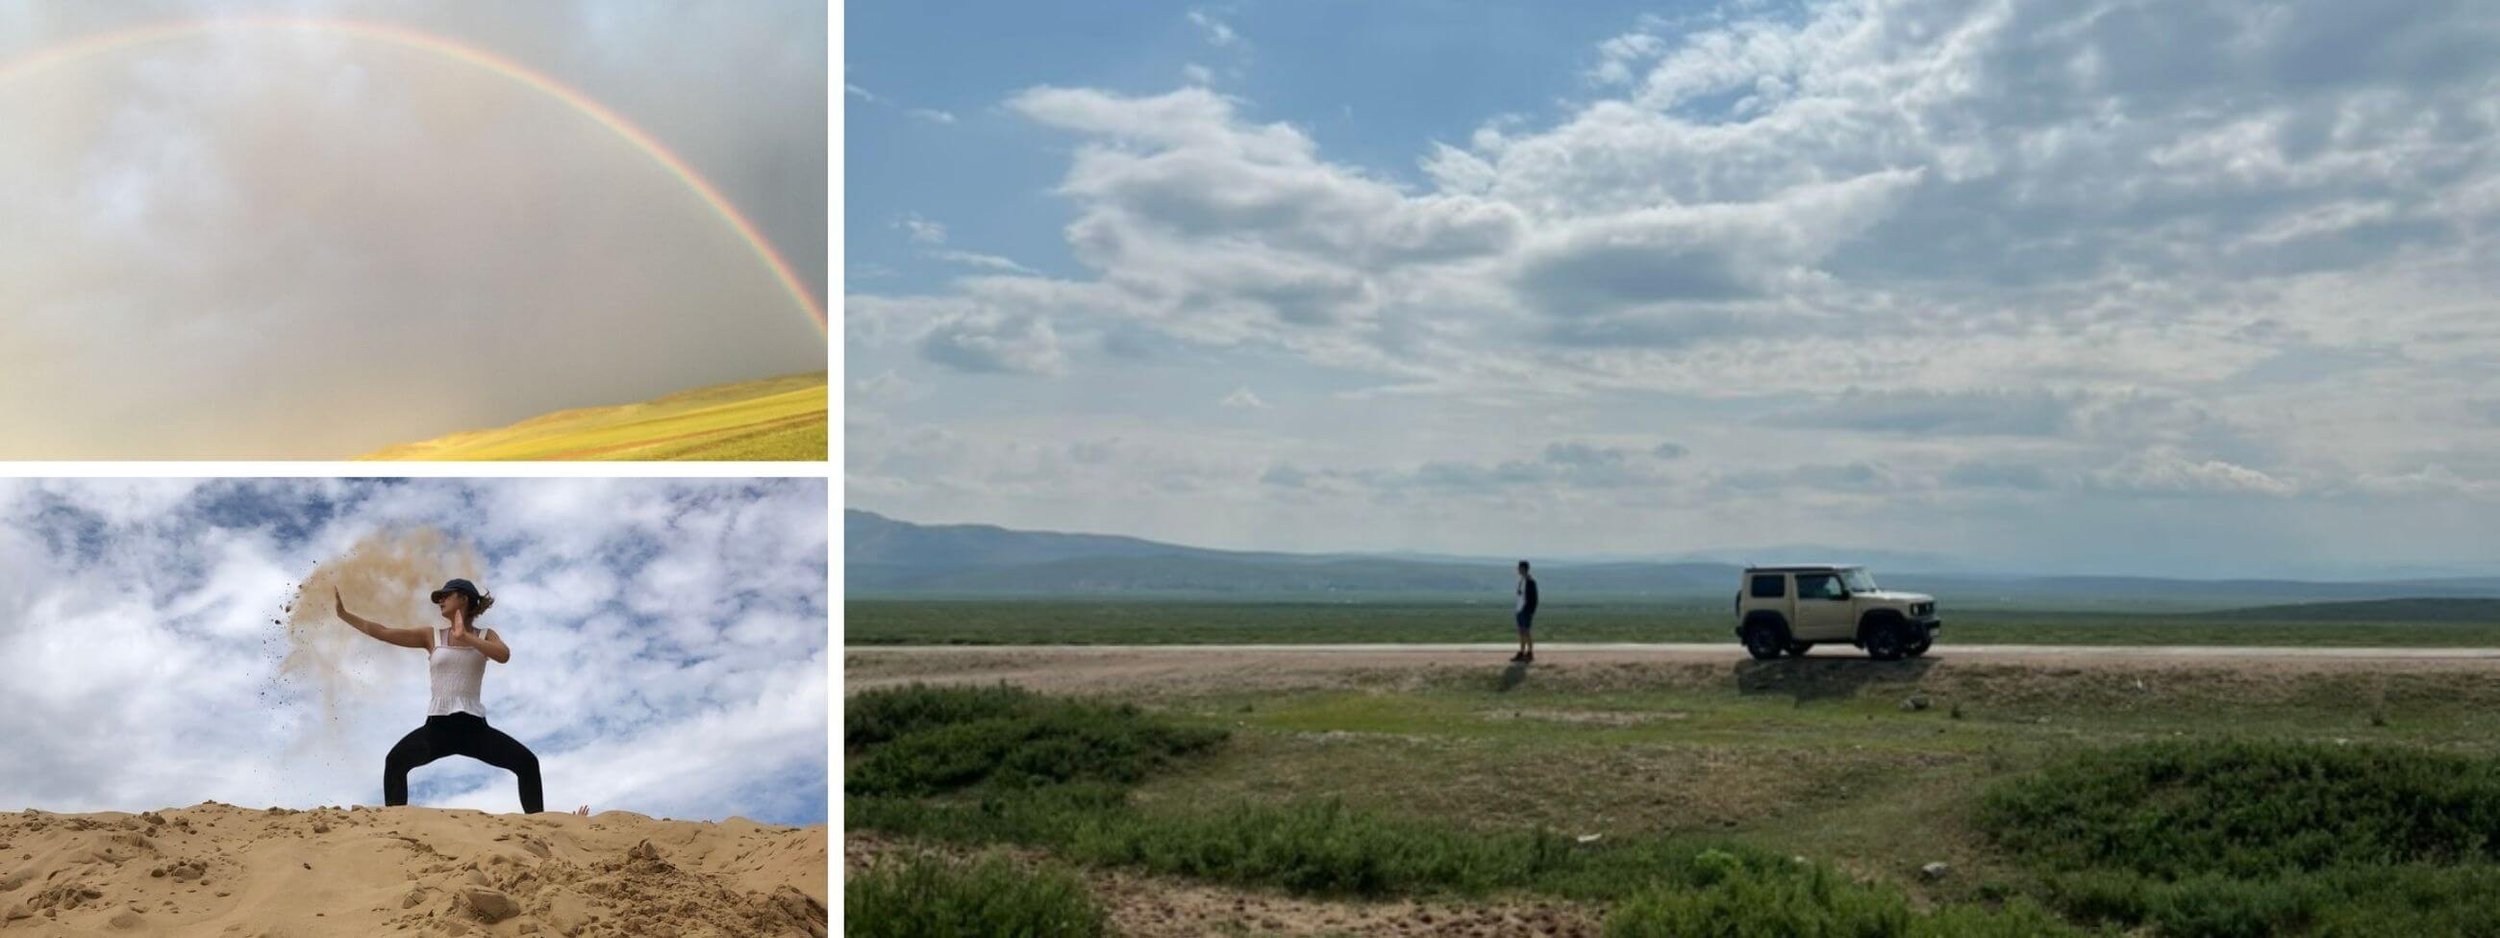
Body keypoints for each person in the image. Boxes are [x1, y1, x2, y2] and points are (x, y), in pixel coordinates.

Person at [335, 578, 545, 814]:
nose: (441, 600)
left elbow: (503, 655)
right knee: (395, 761)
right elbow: (383, 632)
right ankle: (395, 829)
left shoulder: (486, 635)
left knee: (527, 763)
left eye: (446, 595)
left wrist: (466, 637)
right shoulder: (431, 636)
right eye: (439, 597)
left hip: (474, 729)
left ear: (464, 598)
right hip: (438, 728)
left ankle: (540, 829)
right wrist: (344, 615)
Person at [1512, 560, 1539, 663]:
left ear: (1524, 568)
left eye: (1519, 567)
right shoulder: (1521, 580)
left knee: (1526, 632)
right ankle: (1522, 652)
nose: (1518, 569)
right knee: (1521, 632)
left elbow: (1534, 599)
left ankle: (1530, 653)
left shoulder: (1530, 581)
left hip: (1525, 610)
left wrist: (1530, 611)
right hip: (1519, 610)